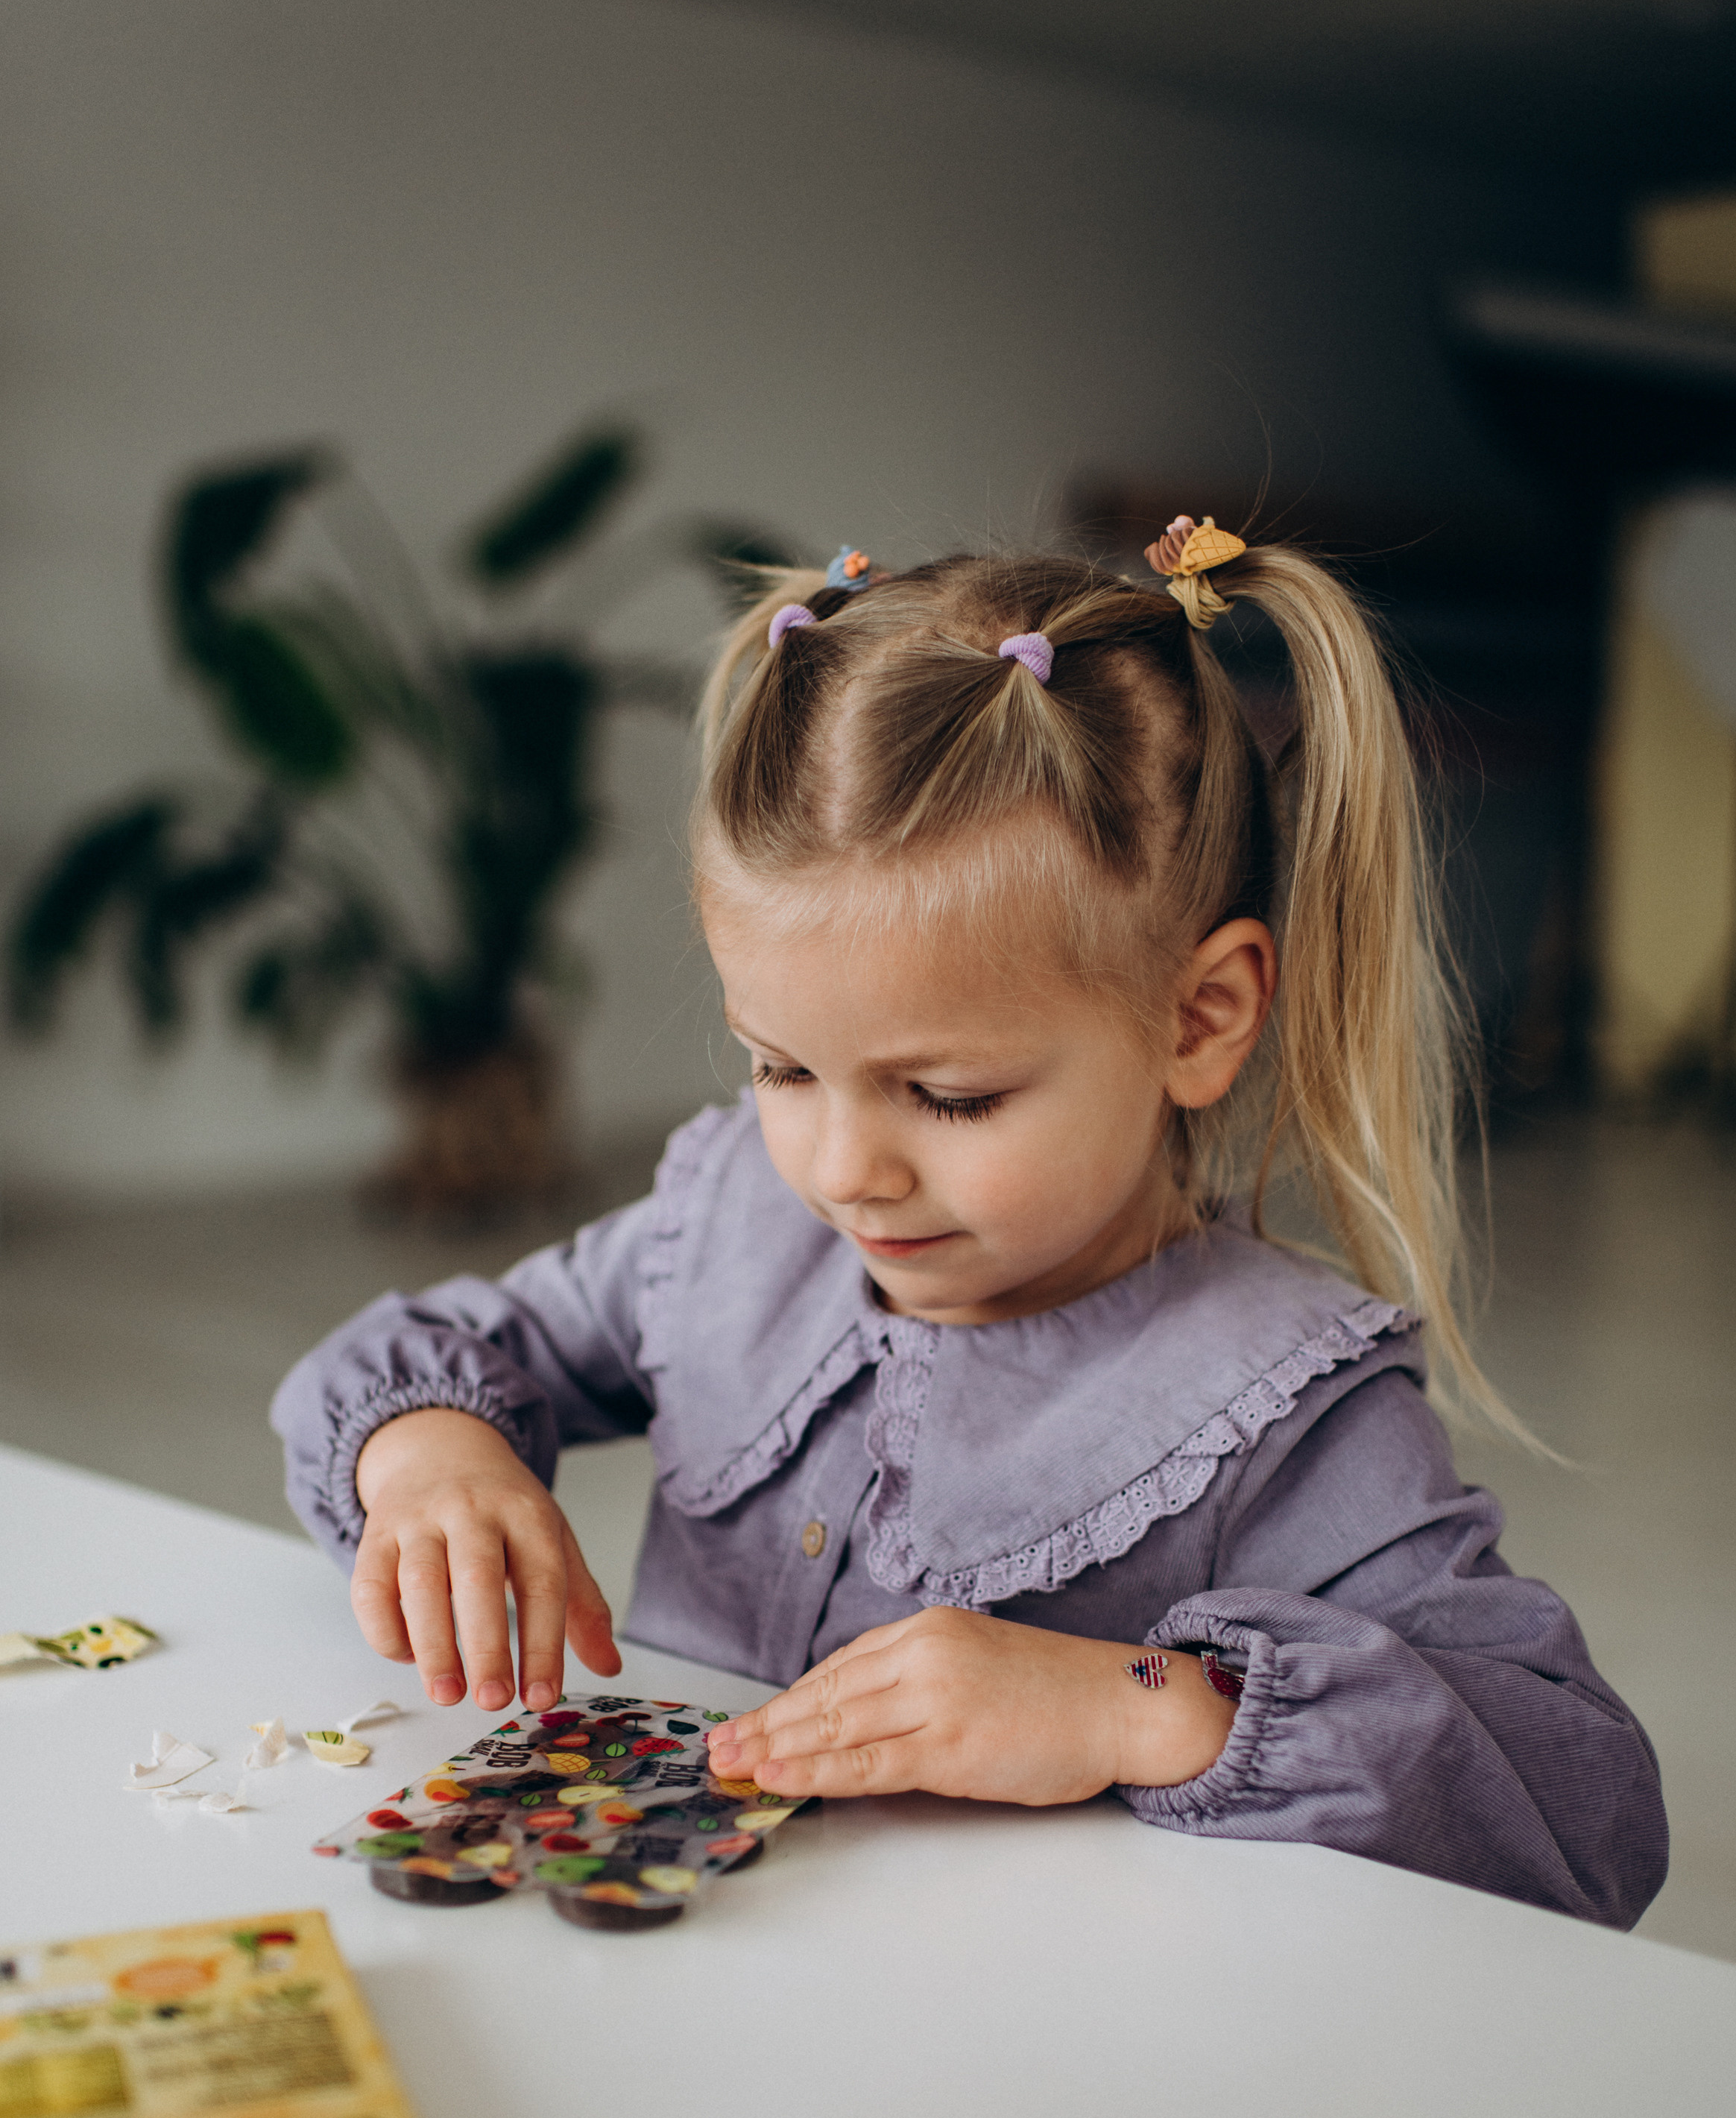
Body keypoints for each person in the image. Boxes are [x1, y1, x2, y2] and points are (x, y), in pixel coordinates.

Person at [272, 520, 1667, 1928]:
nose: (842, 1169)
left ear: (1200, 1020)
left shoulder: (1284, 1407)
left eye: (947, 1097)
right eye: (780, 1068)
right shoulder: (729, 1225)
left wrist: (1141, 1711)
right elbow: (436, 1348)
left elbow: (1583, 1804)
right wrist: (432, 1461)